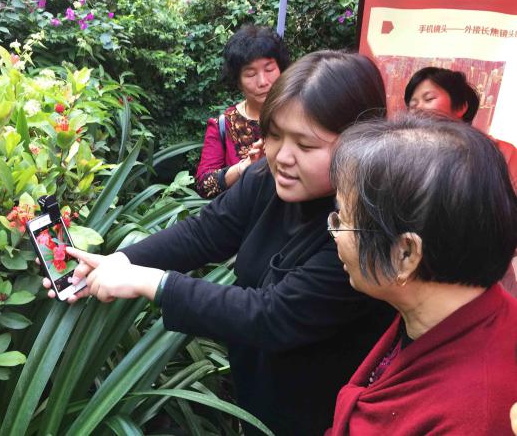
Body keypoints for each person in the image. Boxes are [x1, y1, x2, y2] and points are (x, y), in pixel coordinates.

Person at [43, 51, 395, 435]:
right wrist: (118, 261)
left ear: (359, 144)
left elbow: (272, 315)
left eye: (306, 146)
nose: (282, 156)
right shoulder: (267, 180)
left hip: (322, 417)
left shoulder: (359, 229)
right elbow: (205, 233)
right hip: (258, 400)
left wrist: (152, 283)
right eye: (274, 134)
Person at [326, 114, 517, 435]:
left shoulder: (471, 418)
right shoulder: (442, 311)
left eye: (343, 219)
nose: (335, 233)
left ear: (405, 254)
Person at [405, 66, 517, 297]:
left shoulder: (501, 153)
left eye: (429, 99)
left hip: (483, 281)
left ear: (461, 107)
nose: (418, 108)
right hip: (420, 283)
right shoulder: (405, 156)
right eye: (412, 104)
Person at [195, 24, 290, 199]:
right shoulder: (223, 125)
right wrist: (243, 167)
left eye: (269, 69)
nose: (263, 81)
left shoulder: (301, 112)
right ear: (238, 81)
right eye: (250, 74)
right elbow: (204, 185)